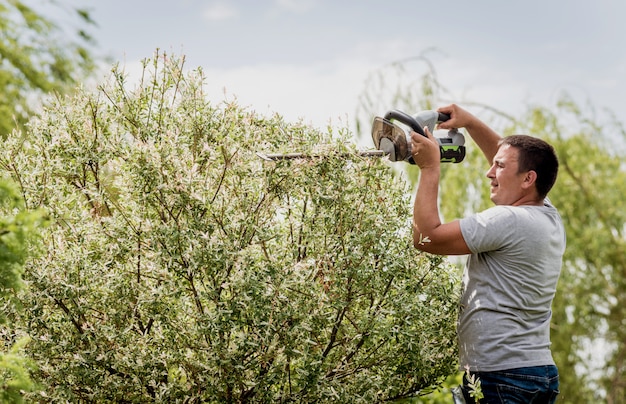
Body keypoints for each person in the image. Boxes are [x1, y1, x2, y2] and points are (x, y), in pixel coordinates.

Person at [410, 104, 565, 403]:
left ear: (528, 179)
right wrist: (469, 122)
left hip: (501, 377)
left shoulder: (508, 220)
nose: (488, 172)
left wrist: (430, 168)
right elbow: (512, 156)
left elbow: (427, 238)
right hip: (535, 372)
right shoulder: (547, 214)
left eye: (500, 167)